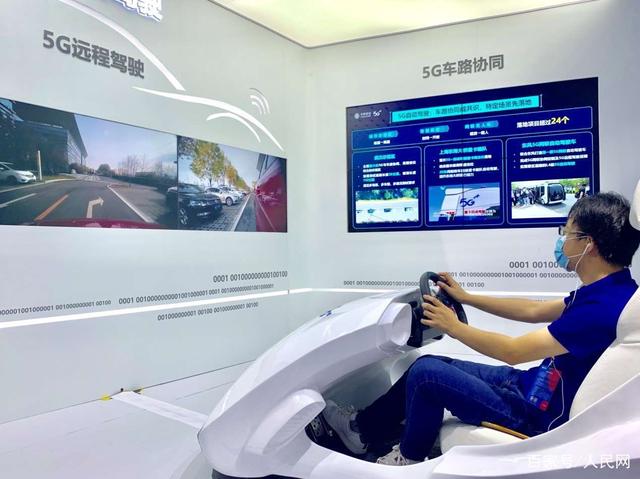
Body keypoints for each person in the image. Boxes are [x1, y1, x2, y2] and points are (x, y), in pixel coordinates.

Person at [324, 192, 640, 466]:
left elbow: (513, 351)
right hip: (534, 387)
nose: (562, 240)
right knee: (427, 365)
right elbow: (533, 310)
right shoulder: (613, 289)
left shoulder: (602, 308)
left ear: (588, 244)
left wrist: (452, 326)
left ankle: (408, 458)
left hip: (537, 416)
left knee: (427, 375)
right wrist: (467, 298)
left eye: (567, 232)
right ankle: (361, 430)